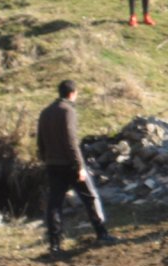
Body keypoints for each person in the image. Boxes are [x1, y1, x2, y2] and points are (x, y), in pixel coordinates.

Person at [36, 80, 117, 257]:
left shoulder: (45, 112)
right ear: (72, 93)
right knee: (90, 197)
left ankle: (54, 244)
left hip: (52, 164)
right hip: (70, 164)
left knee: (54, 204)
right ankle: (102, 233)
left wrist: (45, 159)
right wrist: (79, 166)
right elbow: (71, 140)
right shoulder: (68, 111)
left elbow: (40, 140)